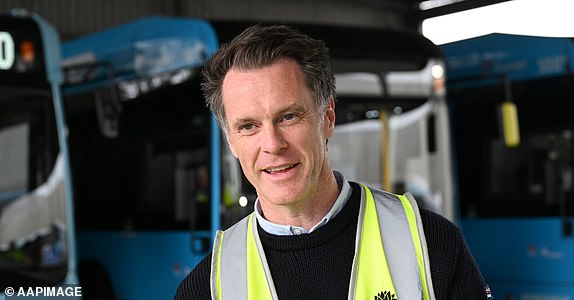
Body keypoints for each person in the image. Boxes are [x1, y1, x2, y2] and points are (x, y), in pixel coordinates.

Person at [175, 24, 489, 300]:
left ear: (327, 117)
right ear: (230, 140)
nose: (272, 145)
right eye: (248, 126)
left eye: (288, 117)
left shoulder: (430, 245)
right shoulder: (208, 288)